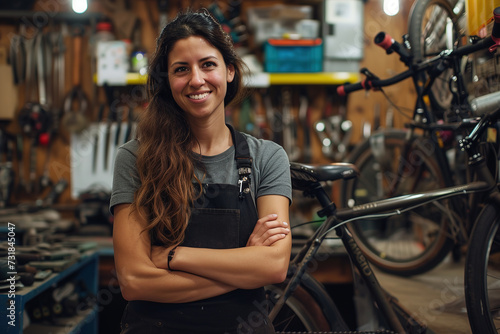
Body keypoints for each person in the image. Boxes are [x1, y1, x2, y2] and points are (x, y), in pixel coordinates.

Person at [110, 9, 292, 334]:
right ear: (168, 82)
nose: (196, 80)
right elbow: (134, 281)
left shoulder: (268, 157)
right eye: (181, 69)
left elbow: (275, 265)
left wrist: (174, 256)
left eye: (208, 64)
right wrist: (244, 269)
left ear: (230, 71)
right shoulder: (135, 158)